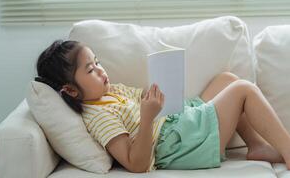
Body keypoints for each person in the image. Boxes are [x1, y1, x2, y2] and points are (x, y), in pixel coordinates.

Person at [35, 40, 290, 173]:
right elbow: (135, 163)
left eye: (98, 62)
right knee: (243, 89)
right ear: (70, 90)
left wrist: (163, 87)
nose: (101, 71)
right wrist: (147, 118)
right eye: (90, 69)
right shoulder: (99, 116)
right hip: (174, 145)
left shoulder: (112, 91)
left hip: (173, 121)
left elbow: (144, 99)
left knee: (227, 80)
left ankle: (256, 146)